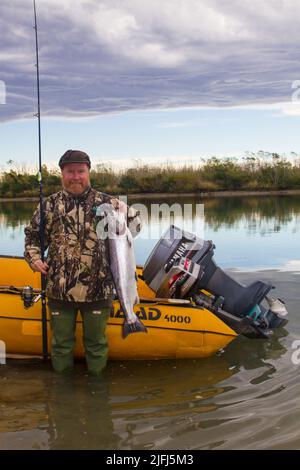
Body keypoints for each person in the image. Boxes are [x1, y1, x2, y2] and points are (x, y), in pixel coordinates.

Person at [24, 150, 141, 376]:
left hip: (99, 289)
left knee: (97, 345)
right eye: (70, 172)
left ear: (88, 172)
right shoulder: (48, 206)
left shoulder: (108, 203)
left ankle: (97, 398)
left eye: (80, 171)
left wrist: (129, 212)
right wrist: (35, 258)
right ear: (62, 174)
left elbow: (135, 229)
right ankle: (62, 391)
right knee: (60, 345)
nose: (75, 176)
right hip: (59, 290)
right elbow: (32, 238)